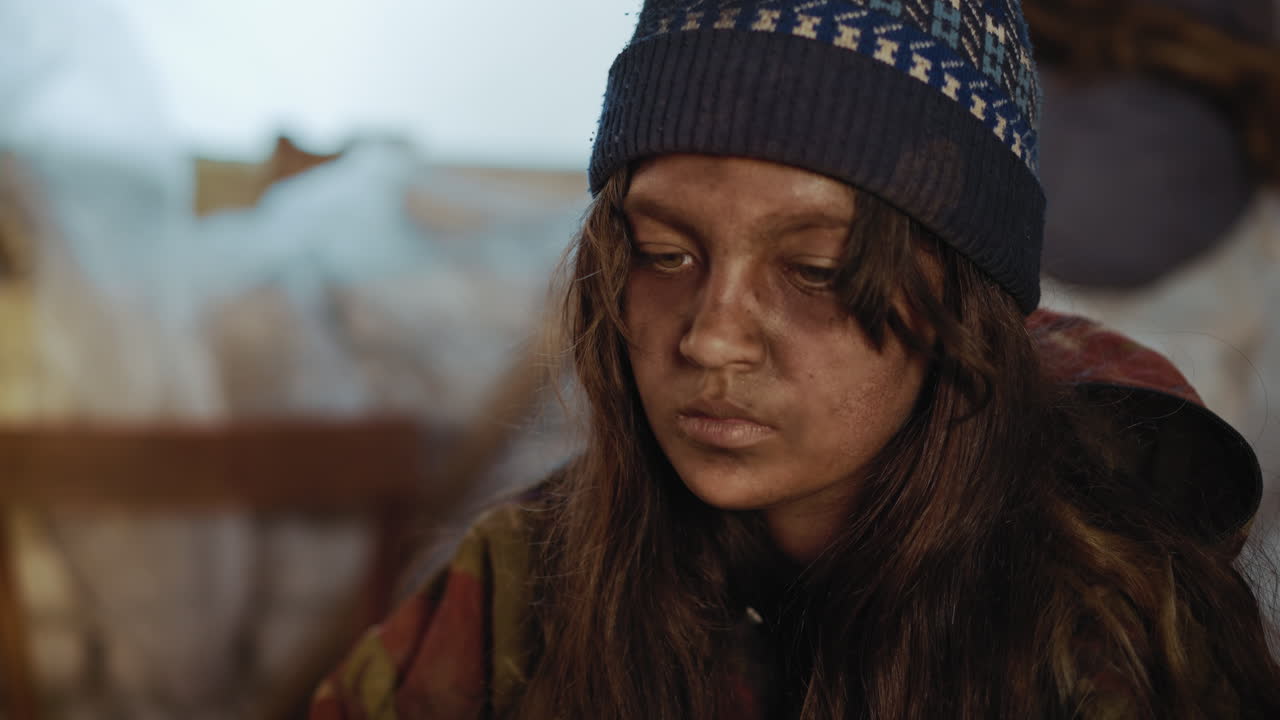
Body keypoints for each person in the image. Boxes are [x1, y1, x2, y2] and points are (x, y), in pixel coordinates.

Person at [310, 1, 1280, 717]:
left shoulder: (1105, 621)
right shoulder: (534, 583)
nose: (711, 336)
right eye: (664, 253)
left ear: (961, 304)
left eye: (816, 272)